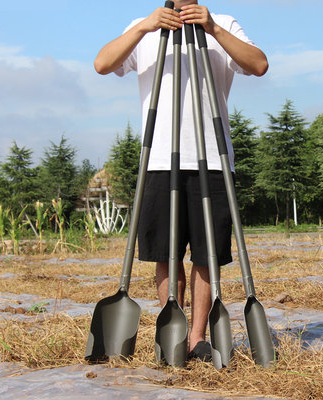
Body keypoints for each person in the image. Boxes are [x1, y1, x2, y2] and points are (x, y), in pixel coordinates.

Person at [94, 0, 268, 361]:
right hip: (158, 160)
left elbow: (259, 64)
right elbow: (102, 63)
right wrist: (145, 26)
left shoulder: (222, 23)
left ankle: (197, 337)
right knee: (165, 255)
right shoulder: (142, 27)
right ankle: (170, 327)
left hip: (214, 161)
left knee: (207, 256)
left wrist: (213, 30)